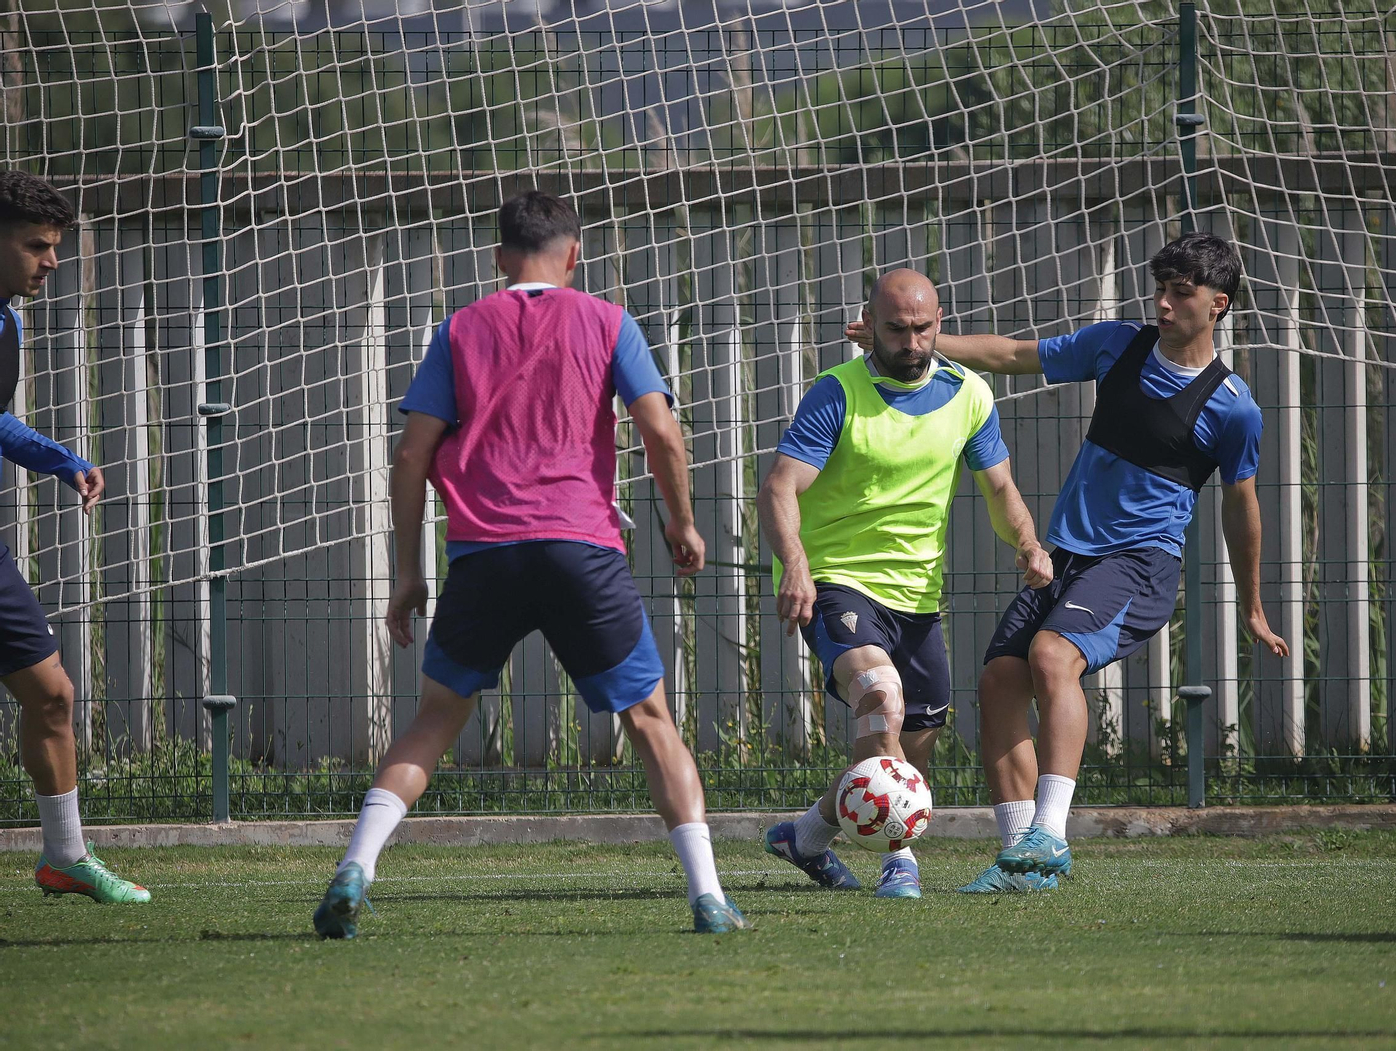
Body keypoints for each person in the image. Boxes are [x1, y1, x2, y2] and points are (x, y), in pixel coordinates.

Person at [313, 190, 748, 937]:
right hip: (581, 548)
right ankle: (708, 896)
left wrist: (410, 571)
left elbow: (412, 455)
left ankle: (355, 866)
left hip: (485, 554)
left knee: (436, 717)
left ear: (497, 257)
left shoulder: (458, 330)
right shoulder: (610, 321)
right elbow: (662, 433)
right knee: (650, 719)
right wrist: (682, 522)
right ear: (574, 254)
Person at [849, 232, 1287, 893]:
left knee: (1053, 656)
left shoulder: (1232, 405)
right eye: (1160, 289)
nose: (1163, 305)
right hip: (1066, 557)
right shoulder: (1118, 345)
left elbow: (1242, 508)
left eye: (1181, 293)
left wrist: (1251, 602)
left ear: (1218, 304)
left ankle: (1050, 834)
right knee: (999, 679)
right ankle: (1022, 861)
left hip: (1139, 563)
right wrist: (921, 346)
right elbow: (1012, 354)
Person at [760, 268, 1053, 899]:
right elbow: (781, 485)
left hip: (918, 598)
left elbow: (1000, 489)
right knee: (879, 696)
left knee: (904, 752)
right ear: (869, 326)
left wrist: (1028, 543)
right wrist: (797, 564)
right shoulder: (837, 391)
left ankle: (805, 837)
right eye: (897, 329)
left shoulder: (969, 394)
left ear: (939, 323)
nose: (911, 343)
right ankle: (902, 864)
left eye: (923, 328)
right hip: (837, 582)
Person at [0, 171, 139, 904]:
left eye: (54, 247)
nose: (51, 261)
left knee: (52, 695)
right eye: (36, 246)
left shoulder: (8, 322)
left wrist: (66, 460)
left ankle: (65, 856)